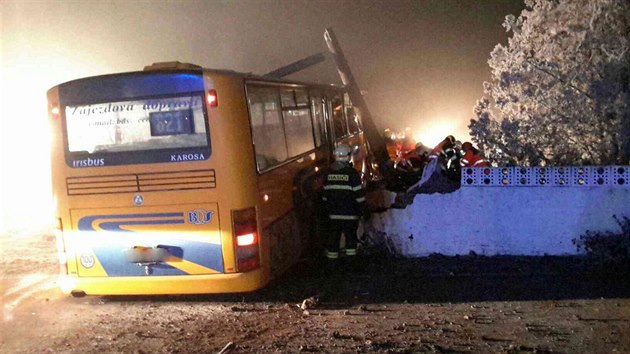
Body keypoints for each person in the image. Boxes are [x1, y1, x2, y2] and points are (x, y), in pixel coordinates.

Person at [322, 144, 368, 262]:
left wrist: (327, 211)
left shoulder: (328, 173)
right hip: (350, 214)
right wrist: (364, 210)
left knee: (333, 240)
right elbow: (359, 196)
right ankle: (351, 263)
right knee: (351, 239)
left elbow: (325, 196)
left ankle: (332, 265)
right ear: (347, 157)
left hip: (333, 215)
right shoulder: (352, 173)